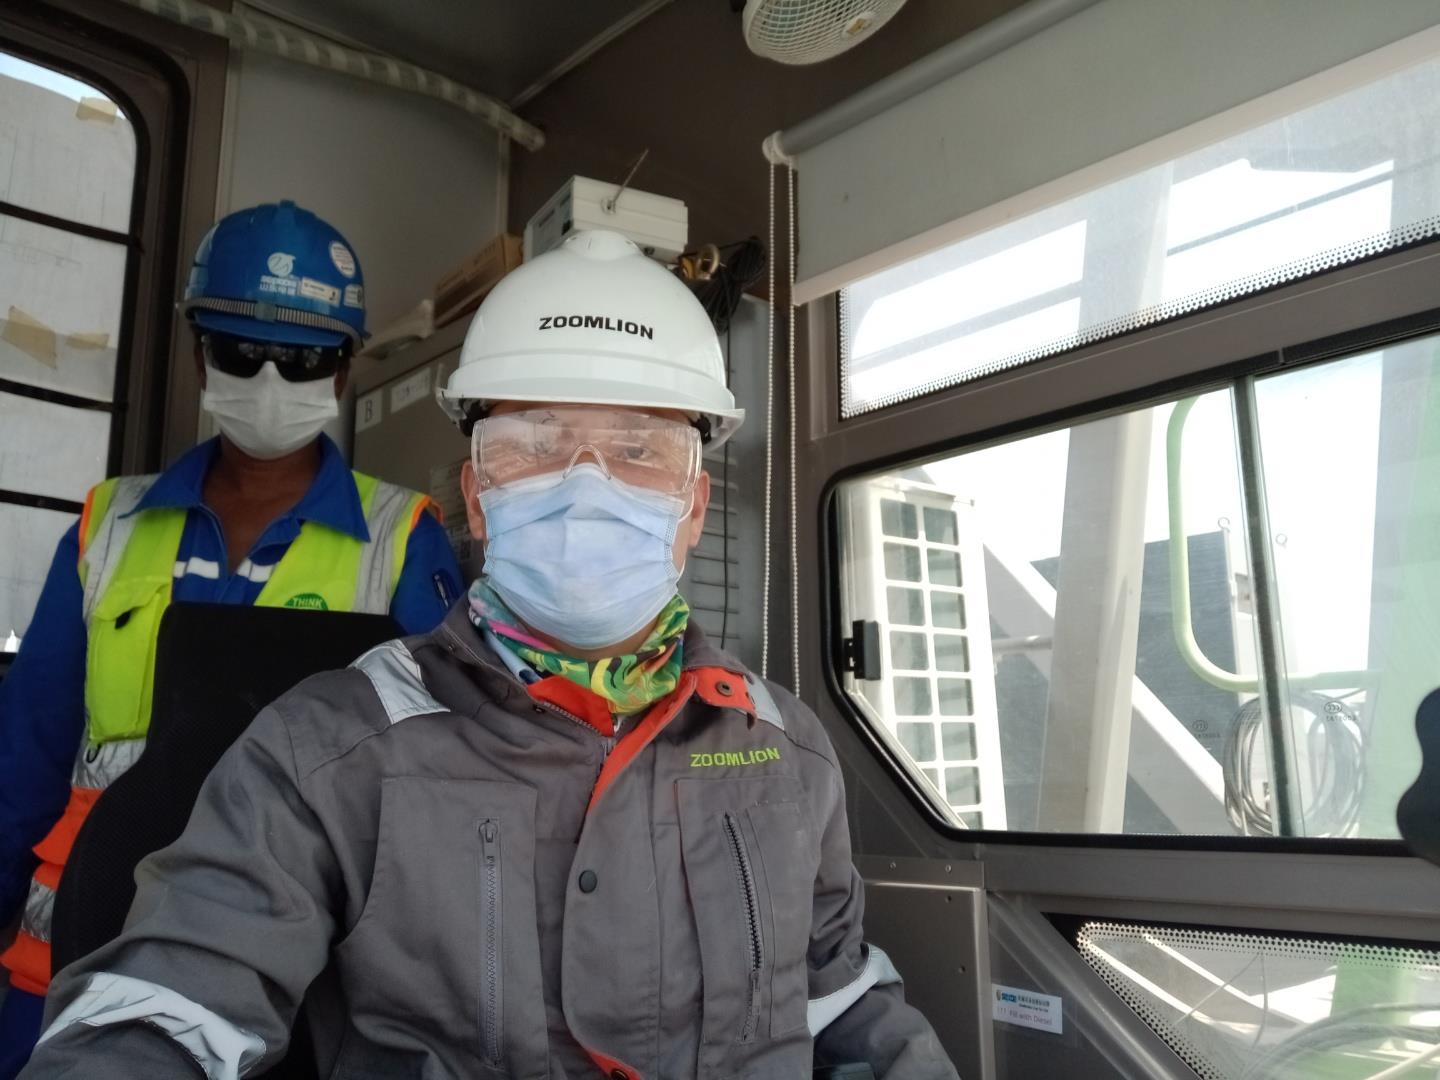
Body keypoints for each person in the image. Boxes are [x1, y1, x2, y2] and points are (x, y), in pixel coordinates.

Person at [20, 230, 957, 1079]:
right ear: (476, 496)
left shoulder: (785, 747)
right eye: (535, 446)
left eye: (639, 450)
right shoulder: (326, 752)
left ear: (695, 509)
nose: (586, 489)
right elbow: (176, 996)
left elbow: (838, 997)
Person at [0, 200, 462, 1077]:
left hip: (295, 954)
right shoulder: (107, 525)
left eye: (304, 359)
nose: (271, 380)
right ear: (198, 352)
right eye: (243, 354)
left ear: (343, 370)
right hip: (74, 943)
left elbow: (440, 781)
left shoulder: (404, 539)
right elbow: (25, 759)